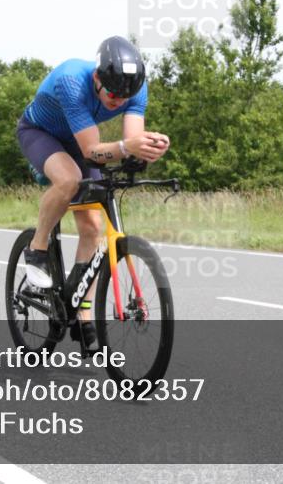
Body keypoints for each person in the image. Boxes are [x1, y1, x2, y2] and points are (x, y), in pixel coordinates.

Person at [16, 36, 170, 346]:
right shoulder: (72, 81)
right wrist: (127, 147)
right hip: (41, 134)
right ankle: (37, 248)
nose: (118, 101)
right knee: (69, 179)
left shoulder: (134, 88)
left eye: (125, 96)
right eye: (112, 94)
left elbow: (130, 143)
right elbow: (92, 151)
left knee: (93, 226)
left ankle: (82, 309)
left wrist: (147, 150)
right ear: (97, 78)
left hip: (81, 142)